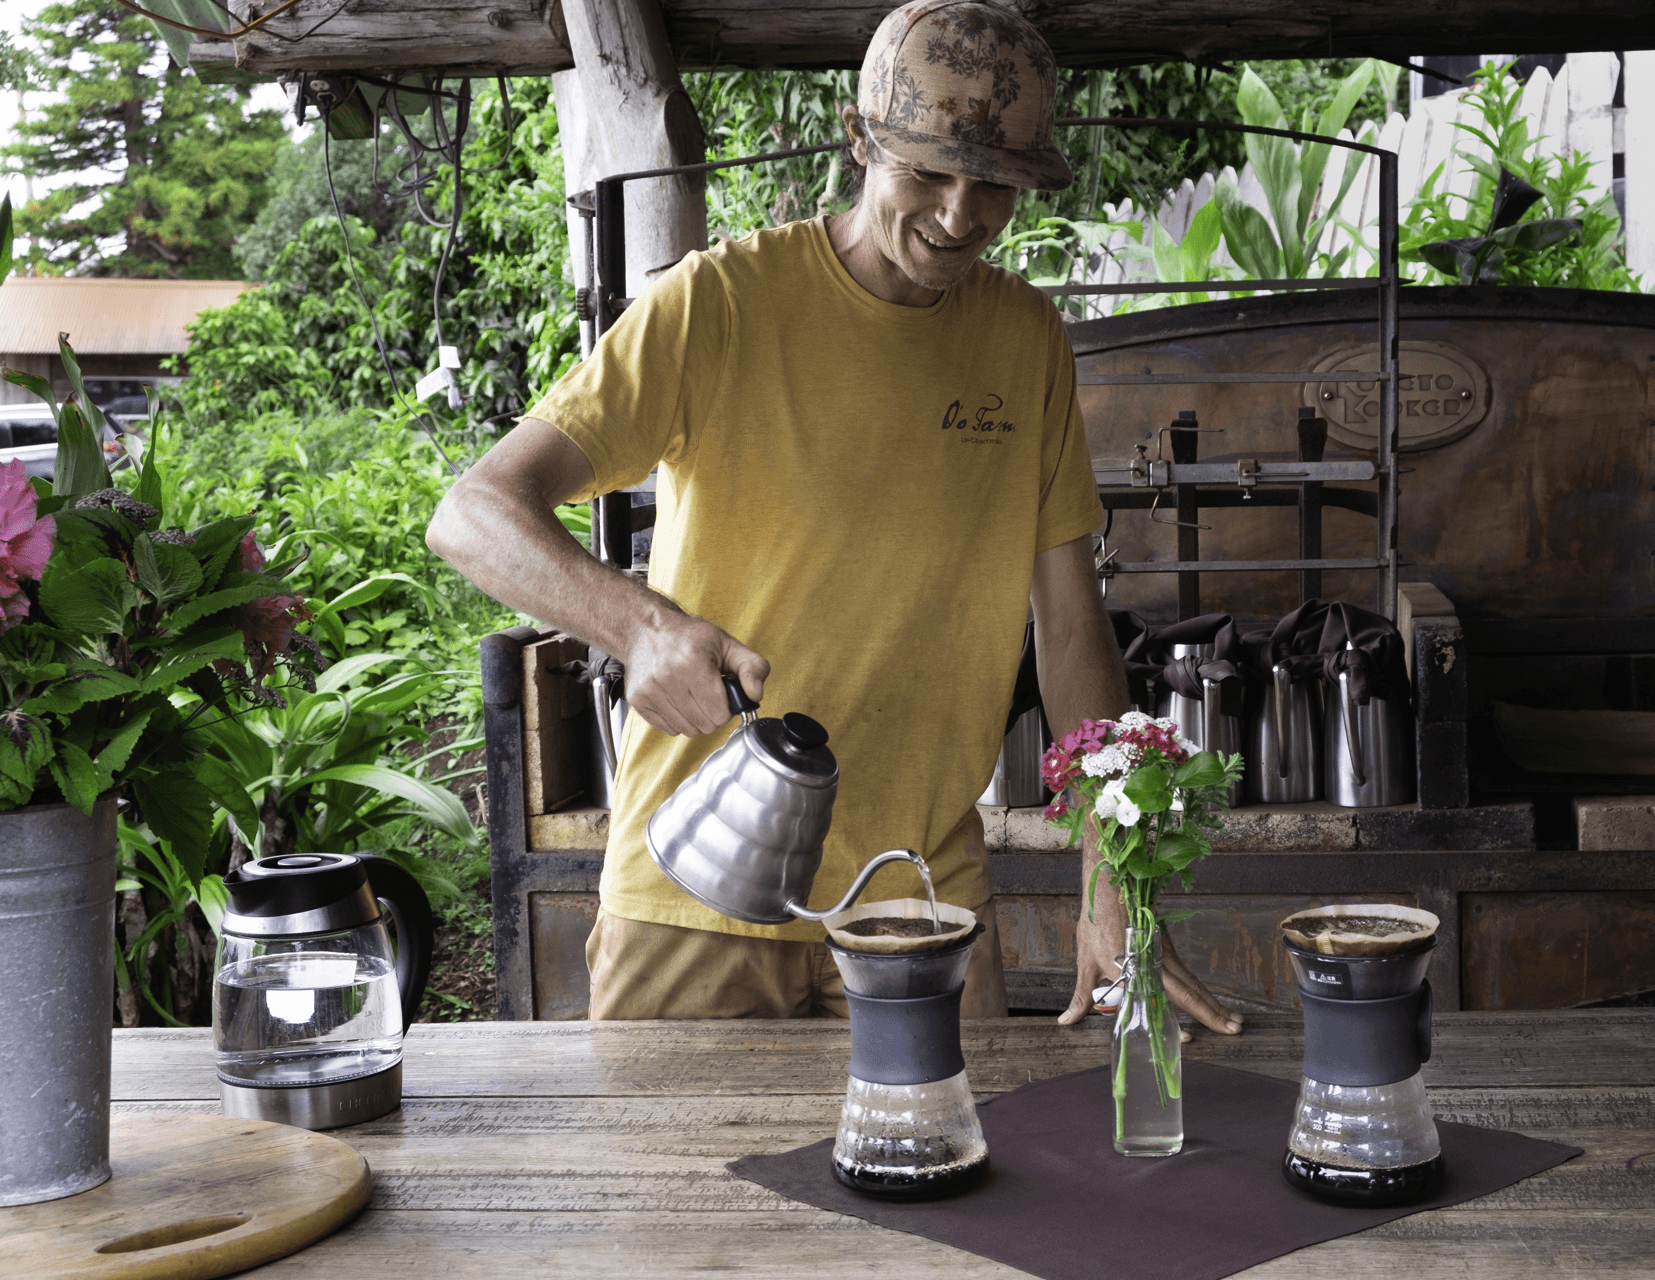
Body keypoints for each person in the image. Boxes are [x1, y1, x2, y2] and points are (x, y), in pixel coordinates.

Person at [426, 0, 1240, 1038]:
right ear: (859, 141)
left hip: (921, 893)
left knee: (969, 1196)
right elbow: (474, 509)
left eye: (993, 184)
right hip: (699, 886)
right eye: (928, 173)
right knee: (683, 1203)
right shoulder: (717, 304)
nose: (959, 213)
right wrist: (639, 627)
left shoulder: (1027, 338)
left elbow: (1073, 628)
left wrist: (1110, 870)